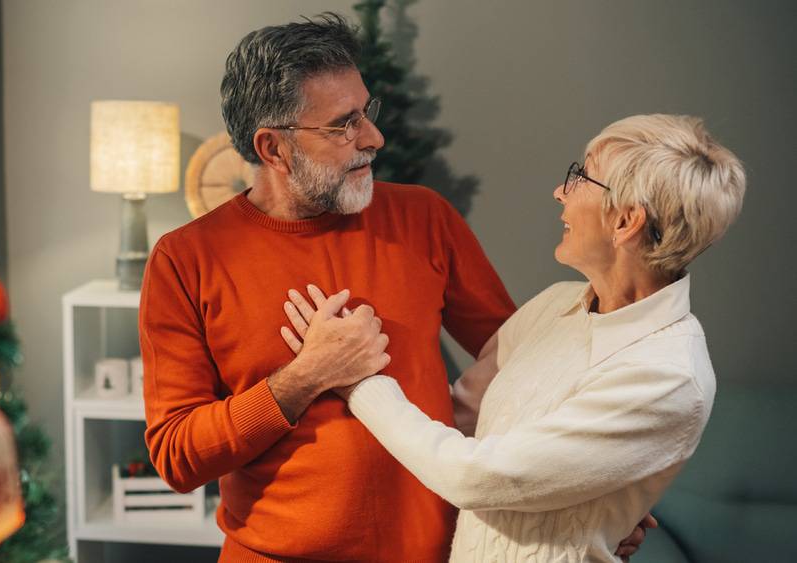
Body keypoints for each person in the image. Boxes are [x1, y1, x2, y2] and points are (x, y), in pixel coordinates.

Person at [140, 13, 649, 561]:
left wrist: (592, 491)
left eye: (367, 112)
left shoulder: (423, 217)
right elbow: (178, 457)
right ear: (273, 149)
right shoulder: (186, 259)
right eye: (343, 124)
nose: (373, 138)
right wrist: (306, 377)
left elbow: (526, 373)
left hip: (439, 553)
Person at [280, 114, 746, 562]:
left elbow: (473, 475)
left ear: (626, 222)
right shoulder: (557, 304)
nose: (561, 192)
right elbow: (457, 418)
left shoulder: (668, 375)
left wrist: (357, 377)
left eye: (582, 177)